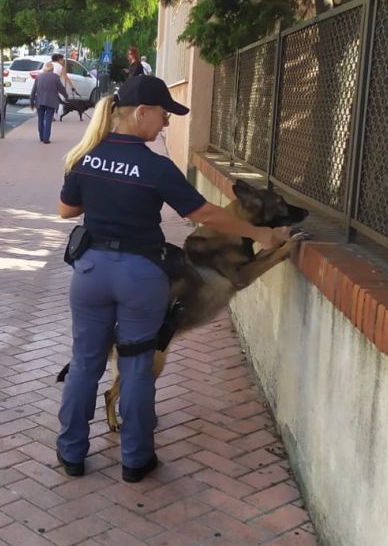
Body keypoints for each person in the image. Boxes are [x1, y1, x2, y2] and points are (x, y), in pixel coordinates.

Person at [55, 75, 292, 483]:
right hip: (140, 277)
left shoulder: (86, 156)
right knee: (137, 367)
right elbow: (202, 214)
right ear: (141, 112)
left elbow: (66, 211)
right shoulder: (156, 167)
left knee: (85, 365)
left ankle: (72, 455)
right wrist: (260, 234)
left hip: (90, 271)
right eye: (164, 115)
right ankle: (135, 460)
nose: (165, 124)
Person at [30, 62, 67, 144]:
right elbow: (61, 89)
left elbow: (33, 91)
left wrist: (32, 102)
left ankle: (41, 137)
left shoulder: (39, 77)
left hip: (39, 101)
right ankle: (46, 138)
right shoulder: (55, 77)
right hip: (51, 102)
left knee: (40, 119)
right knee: (48, 120)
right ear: (52, 69)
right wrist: (66, 96)